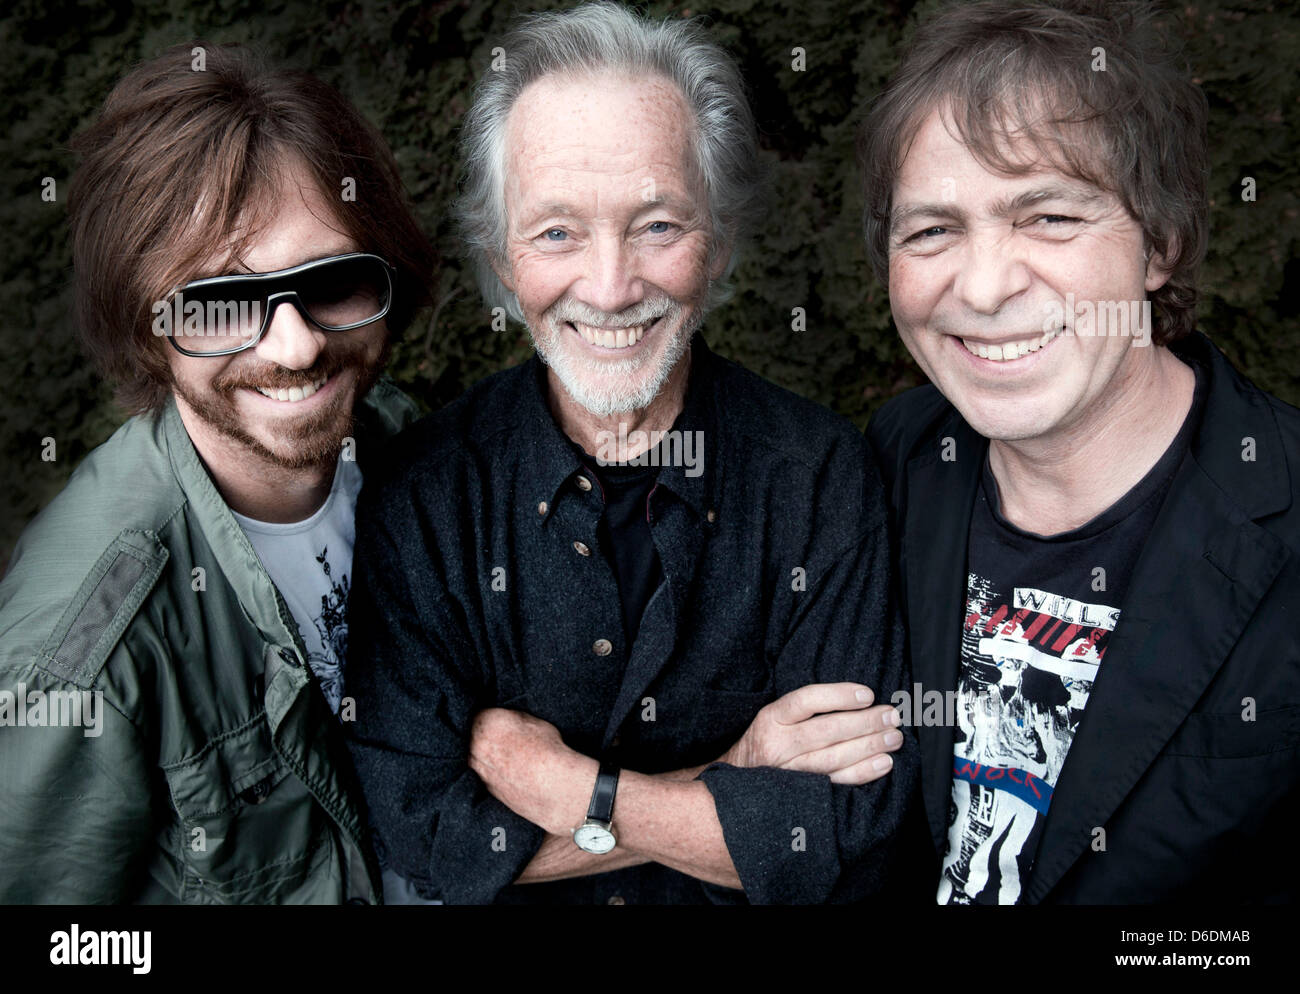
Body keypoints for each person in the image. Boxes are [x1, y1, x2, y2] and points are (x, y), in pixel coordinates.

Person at [344, 2, 916, 905]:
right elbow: (422, 835)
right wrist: (735, 770)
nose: (610, 288)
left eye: (657, 225)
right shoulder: (424, 496)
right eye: (558, 232)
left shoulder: (819, 477)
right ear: (501, 258)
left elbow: (847, 843)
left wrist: (574, 792)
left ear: (720, 238)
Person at [862, 0, 1300, 903]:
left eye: (1049, 216)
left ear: (1160, 244)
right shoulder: (885, 468)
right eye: (932, 230)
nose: (983, 287)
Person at [0, 42, 435, 903]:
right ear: (144, 321)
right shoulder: (82, 650)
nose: (297, 346)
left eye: (334, 282)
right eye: (220, 304)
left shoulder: (406, 446)